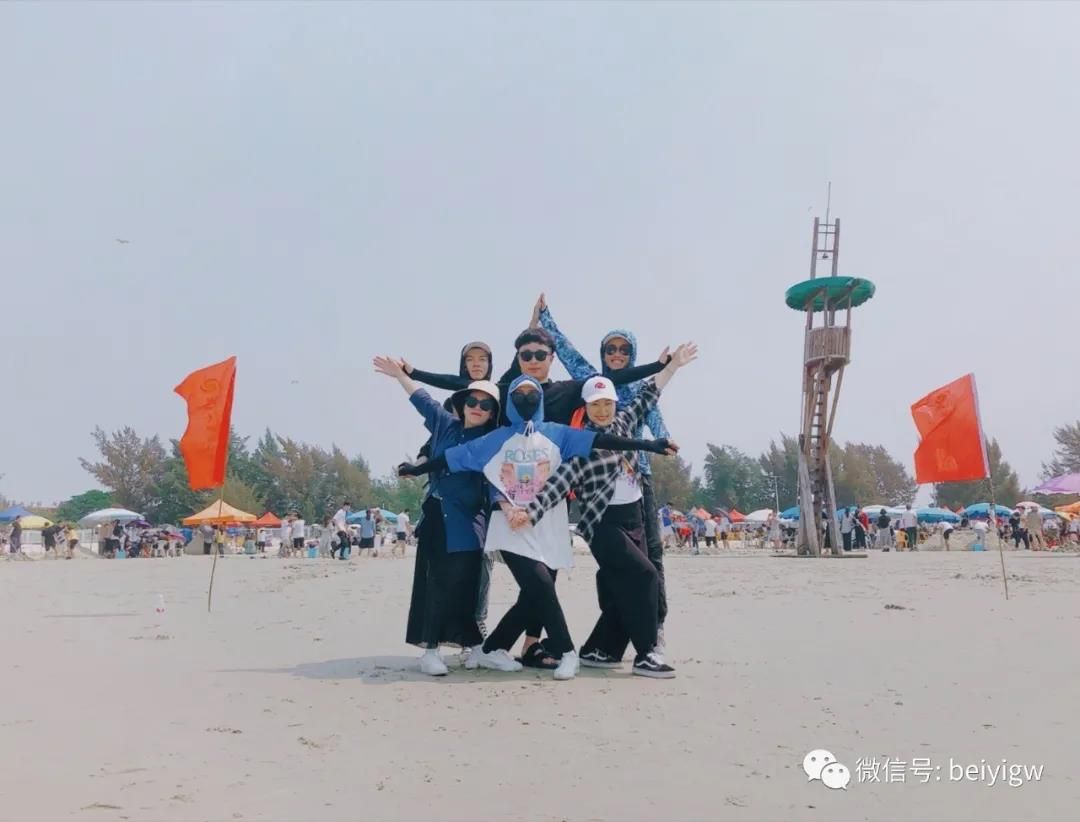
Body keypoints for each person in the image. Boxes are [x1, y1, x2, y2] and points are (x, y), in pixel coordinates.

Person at [398, 374, 677, 681]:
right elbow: (451, 458)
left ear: (541, 400)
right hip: (510, 526)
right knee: (541, 585)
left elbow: (603, 440)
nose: (526, 400)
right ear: (510, 401)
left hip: (548, 527)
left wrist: (649, 445)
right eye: (519, 395)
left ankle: (492, 648)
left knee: (534, 593)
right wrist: (417, 468)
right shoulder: (496, 438)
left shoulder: (558, 433)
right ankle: (568, 653)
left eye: (532, 395)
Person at [518, 346, 694, 677]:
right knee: (646, 576)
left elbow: (648, 394)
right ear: (585, 407)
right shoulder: (581, 442)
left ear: (615, 404)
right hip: (603, 525)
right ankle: (646, 654)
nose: (602, 411)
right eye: (595, 405)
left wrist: (672, 367)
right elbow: (560, 481)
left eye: (607, 404)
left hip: (634, 518)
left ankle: (601, 650)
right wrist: (530, 512)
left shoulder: (625, 421)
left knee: (620, 588)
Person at [375, 355, 501, 675]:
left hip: (471, 521)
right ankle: (430, 650)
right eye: (472, 401)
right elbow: (422, 399)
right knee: (436, 583)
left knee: (469, 583)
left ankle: (475, 647)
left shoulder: (493, 442)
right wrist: (401, 375)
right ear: (462, 404)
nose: (477, 408)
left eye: (486, 405)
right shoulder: (445, 424)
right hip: (437, 515)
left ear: (493, 413)